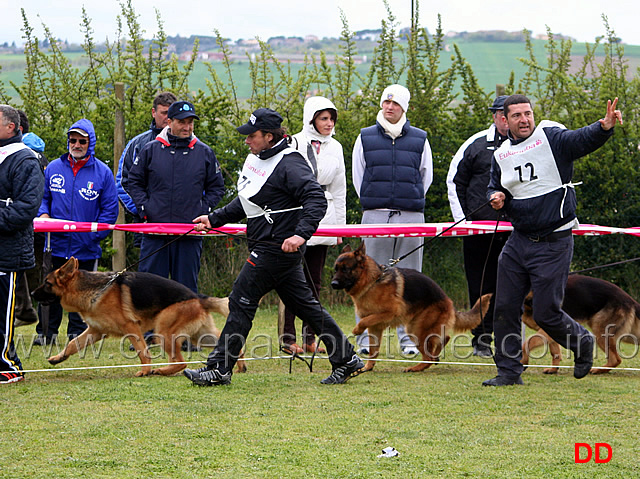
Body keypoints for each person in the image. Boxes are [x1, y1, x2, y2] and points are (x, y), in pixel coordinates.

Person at [183, 108, 363, 386]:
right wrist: (214, 218)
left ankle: (219, 368)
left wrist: (301, 235)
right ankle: (347, 358)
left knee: (240, 301)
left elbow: (316, 198)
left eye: (251, 136)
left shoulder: (290, 164)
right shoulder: (260, 158)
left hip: (275, 250)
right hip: (274, 249)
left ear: (269, 137)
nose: (246, 141)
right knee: (307, 307)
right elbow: (247, 202)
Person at [484, 94, 623, 386]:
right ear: (504, 121)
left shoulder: (551, 137)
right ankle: (508, 372)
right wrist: (495, 197)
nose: (525, 120)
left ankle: (582, 342)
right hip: (518, 241)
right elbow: (495, 186)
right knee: (505, 308)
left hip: (553, 242)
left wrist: (604, 126)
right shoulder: (501, 154)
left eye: (528, 113)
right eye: (517, 116)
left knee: (546, 312)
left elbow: (580, 139)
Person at [352, 84, 433, 356]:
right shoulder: (364, 137)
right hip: (375, 215)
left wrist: (408, 201)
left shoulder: (420, 139)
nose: (389, 107)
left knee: (411, 278)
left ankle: (409, 339)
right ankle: (365, 340)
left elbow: (426, 176)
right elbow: (358, 177)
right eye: (386, 103)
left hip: (411, 215)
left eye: (395, 104)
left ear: (404, 107)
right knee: (369, 277)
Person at [33, 119, 119, 345]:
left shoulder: (103, 173)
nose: (77, 144)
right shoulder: (52, 168)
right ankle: (46, 334)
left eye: (82, 141)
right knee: (51, 289)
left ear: (90, 143)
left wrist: (92, 237)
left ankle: (77, 334)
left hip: (86, 247)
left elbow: (110, 210)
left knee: (82, 295)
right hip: (55, 244)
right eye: (73, 140)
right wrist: (43, 215)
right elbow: (43, 199)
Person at [128, 100, 224, 295]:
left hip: (189, 234)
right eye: (182, 122)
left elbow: (217, 187)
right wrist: (146, 208)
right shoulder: (151, 149)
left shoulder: (204, 152)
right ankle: (149, 328)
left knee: (186, 293)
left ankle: (186, 327)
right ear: (169, 122)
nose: (187, 127)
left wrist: (202, 210)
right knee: (149, 292)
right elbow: (133, 182)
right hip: (155, 233)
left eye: (190, 122)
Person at [446, 95, 510, 358]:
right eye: (502, 115)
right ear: (494, 116)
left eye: (511, 115)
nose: (506, 121)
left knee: (512, 284)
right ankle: (481, 338)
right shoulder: (475, 144)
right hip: (478, 228)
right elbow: (454, 181)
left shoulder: (529, 144)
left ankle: (509, 339)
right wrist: (463, 222)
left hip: (515, 228)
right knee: (480, 284)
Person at [282, 96, 346, 355]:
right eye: (323, 118)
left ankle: (311, 337)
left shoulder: (337, 147)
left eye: (331, 118)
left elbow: (339, 187)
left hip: (325, 214)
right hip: (297, 213)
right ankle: (288, 338)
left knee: (315, 281)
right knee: (290, 279)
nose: (329, 123)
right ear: (312, 119)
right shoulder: (294, 143)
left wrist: (339, 228)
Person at [0, 105, 44, 383]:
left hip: (7, 252)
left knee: (2, 314)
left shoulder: (25, 160)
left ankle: (7, 365)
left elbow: (25, 209)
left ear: (11, 127)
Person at [115, 91, 176, 225]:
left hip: (183, 223)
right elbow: (123, 182)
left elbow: (206, 182)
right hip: (146, 223)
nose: (168, 118)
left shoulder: (193, 146)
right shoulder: (137, 145)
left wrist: (196, 210)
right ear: (153, 112)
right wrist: (142, 211)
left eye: (171, 113)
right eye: (164, 113)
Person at [13, 110, 49, 328]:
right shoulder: (38, 154)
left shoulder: (23, 155)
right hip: (33, 223)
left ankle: (25, 310)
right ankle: (27, 310)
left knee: (22, 268)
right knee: (31, 269)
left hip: (26, 223)